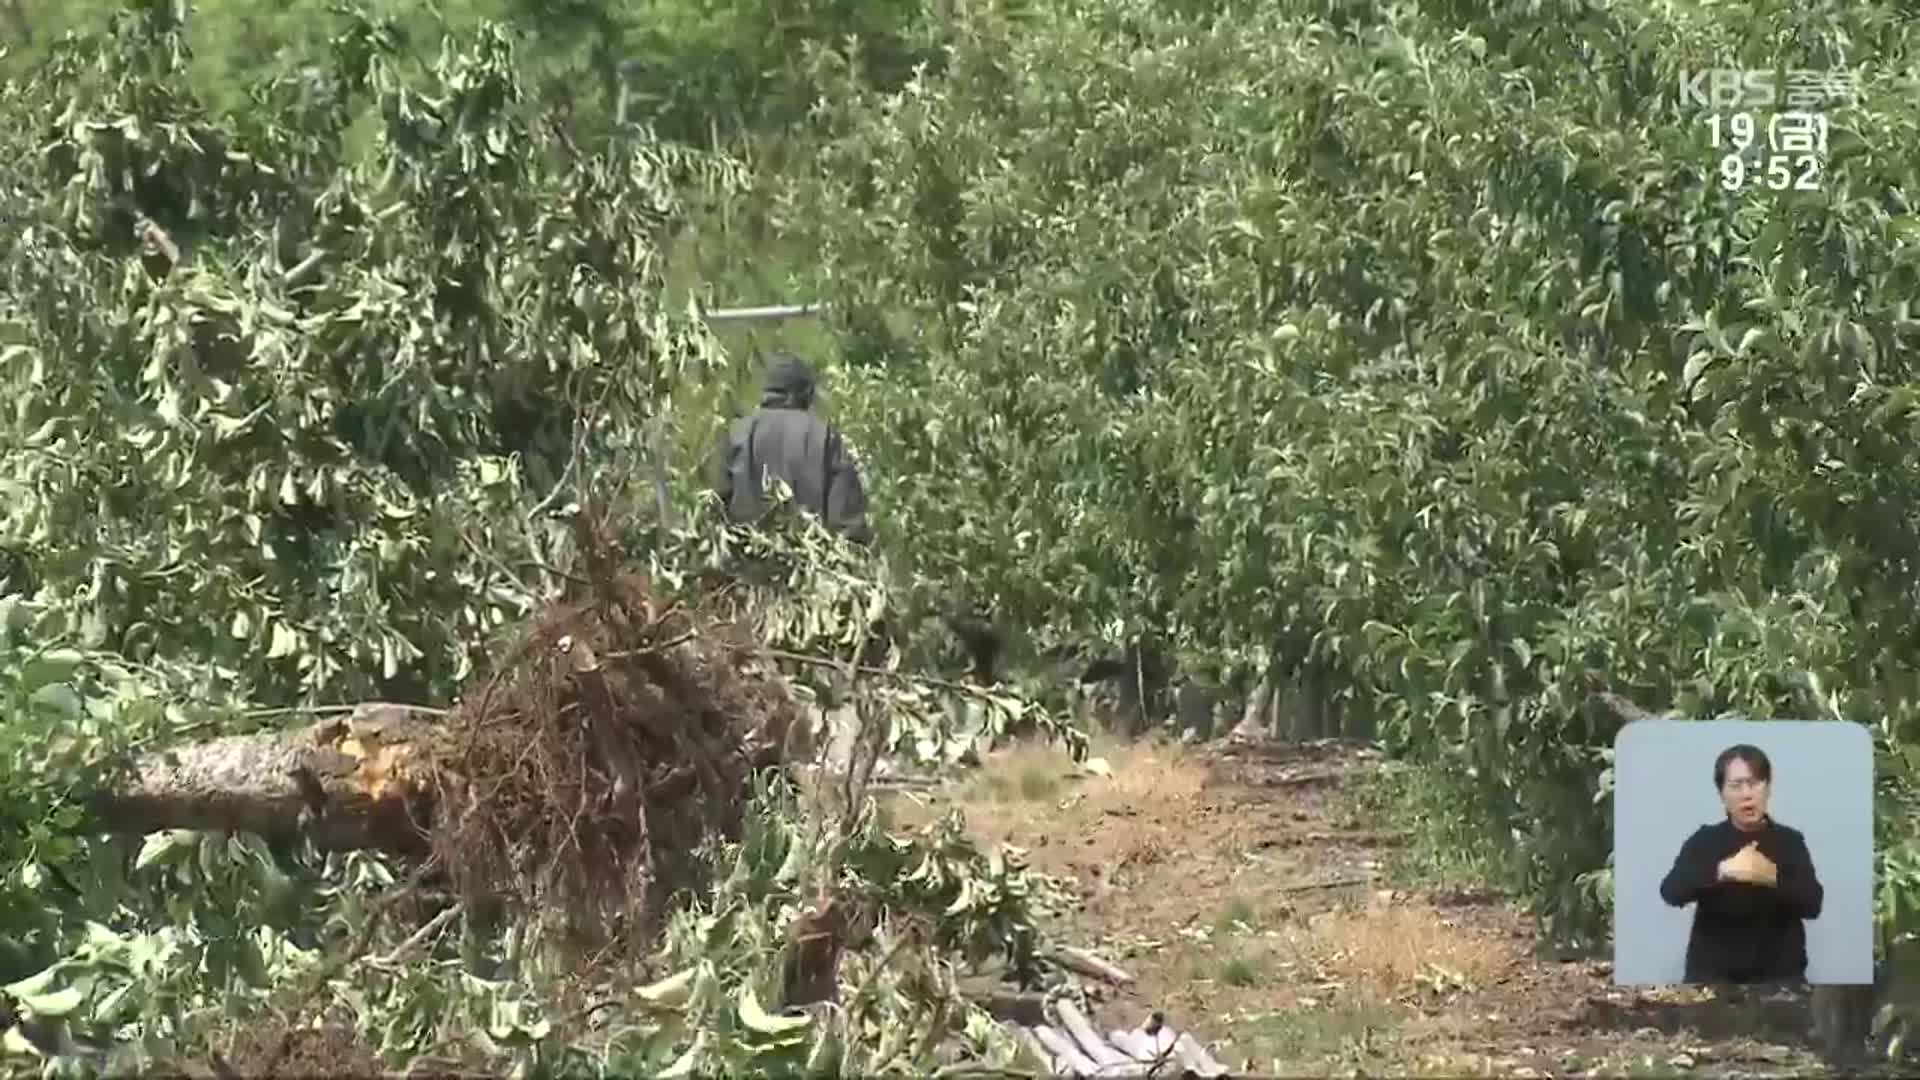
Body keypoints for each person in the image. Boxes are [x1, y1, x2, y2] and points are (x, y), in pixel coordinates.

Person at [1658, 743, 1824, 984]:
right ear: (1722, 795)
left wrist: (1770, 877)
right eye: (1736, 786)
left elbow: (1813, 905)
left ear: (1768, 789)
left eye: (1755, 783)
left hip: (1780, 979)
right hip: (1711, 978)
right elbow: (1671, 892)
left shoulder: (1790, 841)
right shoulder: (1705, 840)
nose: (1747, 794)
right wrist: (1721, 871)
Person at [713, 352, 872, 545]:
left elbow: (717, 509)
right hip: (813, 565)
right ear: (804, 392)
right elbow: (847, 521)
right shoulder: (825, 436)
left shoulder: (738, 434)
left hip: (746, 562)